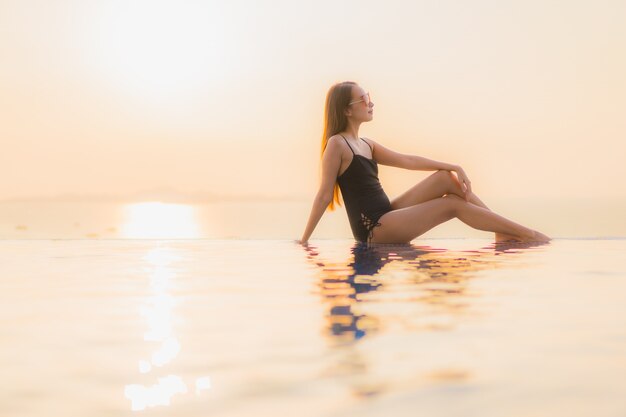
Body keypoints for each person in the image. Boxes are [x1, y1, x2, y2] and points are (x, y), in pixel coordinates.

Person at [297, 81, 551, 245]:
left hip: (386, 214)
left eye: (369, 95)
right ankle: (525, 234)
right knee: (451, 204)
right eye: (363, 98)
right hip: (374, 229)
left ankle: (501, 229)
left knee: (444, 179)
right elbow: (323, 195)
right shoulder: (337, 144)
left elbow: (408, 160)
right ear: (347, 110)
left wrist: (452, 166)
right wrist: (305, 240)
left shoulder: (367, 144)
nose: (370, 102)